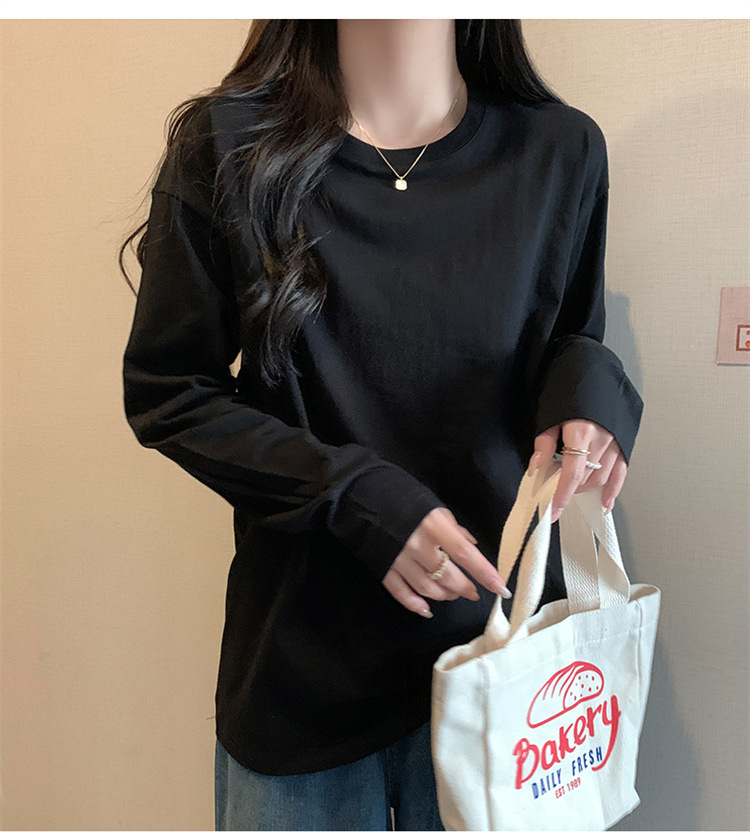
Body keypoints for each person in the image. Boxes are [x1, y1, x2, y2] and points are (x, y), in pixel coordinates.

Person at [120, 19, 643, 831]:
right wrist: (353, 494)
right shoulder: (228, 144)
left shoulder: (559, 150)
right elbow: (169, 390)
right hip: (304, 667)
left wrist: (590, 394)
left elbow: (572, 332)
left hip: (507, 666)